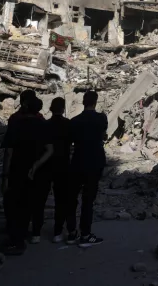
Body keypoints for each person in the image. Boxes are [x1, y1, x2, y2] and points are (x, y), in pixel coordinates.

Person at [0, 91, 49, 255]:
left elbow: (9, 151)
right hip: (34, 172)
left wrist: (4, 176)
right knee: (27, 204)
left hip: (16, 169)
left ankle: (16, 240)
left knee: (12, 204)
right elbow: (49, 149)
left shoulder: (15, 122)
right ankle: (24, 234)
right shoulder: (42, 123)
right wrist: (36, 165)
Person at [67, 90, 108, 247]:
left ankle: (71, 233)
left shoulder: (74, 121)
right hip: (95, 162)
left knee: (72, 199)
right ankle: (85, 234)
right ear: (95, 102)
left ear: (83, 102)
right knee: (88, 200)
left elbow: (70, 141)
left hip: (77, 162)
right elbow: (104, 135)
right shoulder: (101, 118)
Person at [35, 97, 74, 243]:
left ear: (51, 108)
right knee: (61, 200)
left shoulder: (45, 125)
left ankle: (36, 233)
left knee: (40, 199)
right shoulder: (68, 124)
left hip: (46, 166)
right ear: (63, 109)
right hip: (63, 165)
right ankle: (57, 232)